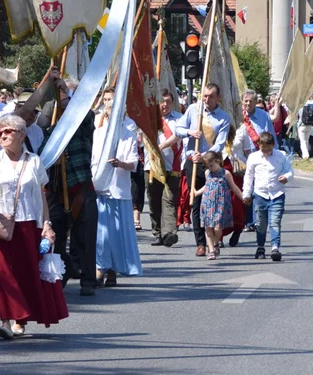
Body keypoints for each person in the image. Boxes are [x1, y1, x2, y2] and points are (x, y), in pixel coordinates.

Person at [0, 114, 68, 339]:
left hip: (28, 225)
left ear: (22, 134)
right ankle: (5, 321)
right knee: (1, 274)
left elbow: (41, 196)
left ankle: (20, 320)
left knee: (25, 274)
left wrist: (47, 225)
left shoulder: (34, 161)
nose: (3, 135)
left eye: (8, 131)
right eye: (0, 132)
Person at [16, 64, 99, 296]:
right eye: (61, 102)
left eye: (68, 101)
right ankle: (59, 276)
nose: (64, 105)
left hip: (81, 189)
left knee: (85, 236)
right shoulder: (49, 132)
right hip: (55, 188)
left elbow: (85, 114)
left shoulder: (84, 126)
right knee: (56, 237)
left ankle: (88, 281)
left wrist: (65, 90)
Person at [173, 83, 231, 258]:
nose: (207, 99)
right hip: (193, 163)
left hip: (211, 164)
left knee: (213, 203)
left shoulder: (223, 118)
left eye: (211, 96)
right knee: (196, 203)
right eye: (205, 96)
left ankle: (214, 238)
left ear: (217, 97)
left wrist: (205, 156)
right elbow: (178, 129)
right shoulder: (193, 110)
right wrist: (190, 132)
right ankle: (201, 243)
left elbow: (220, 143)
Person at [91, 89, 143, 286]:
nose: (113, 116)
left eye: (117, 112)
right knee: (100, 232)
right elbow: (93, 159)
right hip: (100, 187)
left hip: (119, 190)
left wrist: (120, 163)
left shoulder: (128, 134)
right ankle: (99, 268)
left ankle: (113, 270)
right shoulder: (98, 133)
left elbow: (134, 163)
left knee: (115, 233)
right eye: (110, 112)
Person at [242, 132, 293, 261]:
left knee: (275, 222)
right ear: (258, 145)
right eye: (263, 149)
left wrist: (286, 177)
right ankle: (260, 247)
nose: (266, 152)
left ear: (273, 145)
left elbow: (289, 170)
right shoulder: (253, 157)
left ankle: (275, 248)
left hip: (277, 194)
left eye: (269, 149)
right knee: (260, 223)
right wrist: (246, 194)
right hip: (260, 194)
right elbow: (249, 177)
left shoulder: (281, 156)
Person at [233, 89, 272, 238]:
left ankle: (257, 220)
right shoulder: (237, 116)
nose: (248, 103)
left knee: (259, 191)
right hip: (242, 159)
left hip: (260, 158)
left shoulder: (264, 117)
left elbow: (270, 137)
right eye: (246, 101)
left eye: (251, 101)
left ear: (256, 102)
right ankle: (248, 221)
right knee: (246, 189)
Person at [194, 152, 244, 260]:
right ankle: (211, 250)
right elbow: (207, 186)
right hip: (207, 202)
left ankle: (216, 242)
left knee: (217, 228)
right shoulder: (207, 173)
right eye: (208, 166)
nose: (210, 168)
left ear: (217, 161)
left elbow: (234, 187)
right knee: (208, 227)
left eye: (211, 165)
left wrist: (242, 197)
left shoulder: (225, 173)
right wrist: (197, 192)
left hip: (221, 204)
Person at [150, 90, 184, 247]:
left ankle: (169, 232)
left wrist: (162, 145)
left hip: (172, 165)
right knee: (154, 200)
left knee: (169, 199)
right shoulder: (149, 117)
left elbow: (178, 135)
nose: (165, 105)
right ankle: (157, 232)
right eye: (162, 101)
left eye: (168, 102)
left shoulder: (179, 118)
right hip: (152, 166)